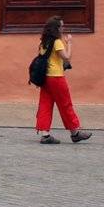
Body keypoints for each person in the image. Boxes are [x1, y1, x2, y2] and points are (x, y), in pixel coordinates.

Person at [34, 15, 91, 144]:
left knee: (45, 104)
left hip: (46, 77)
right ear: (57, 28)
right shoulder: (57, 42)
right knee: (65, 104)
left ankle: (45, 134)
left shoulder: (43, 41)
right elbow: (67, 57)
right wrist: (69, 43)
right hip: (56, 77)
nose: (63, 28)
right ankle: (75, 133)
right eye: (62, 26)